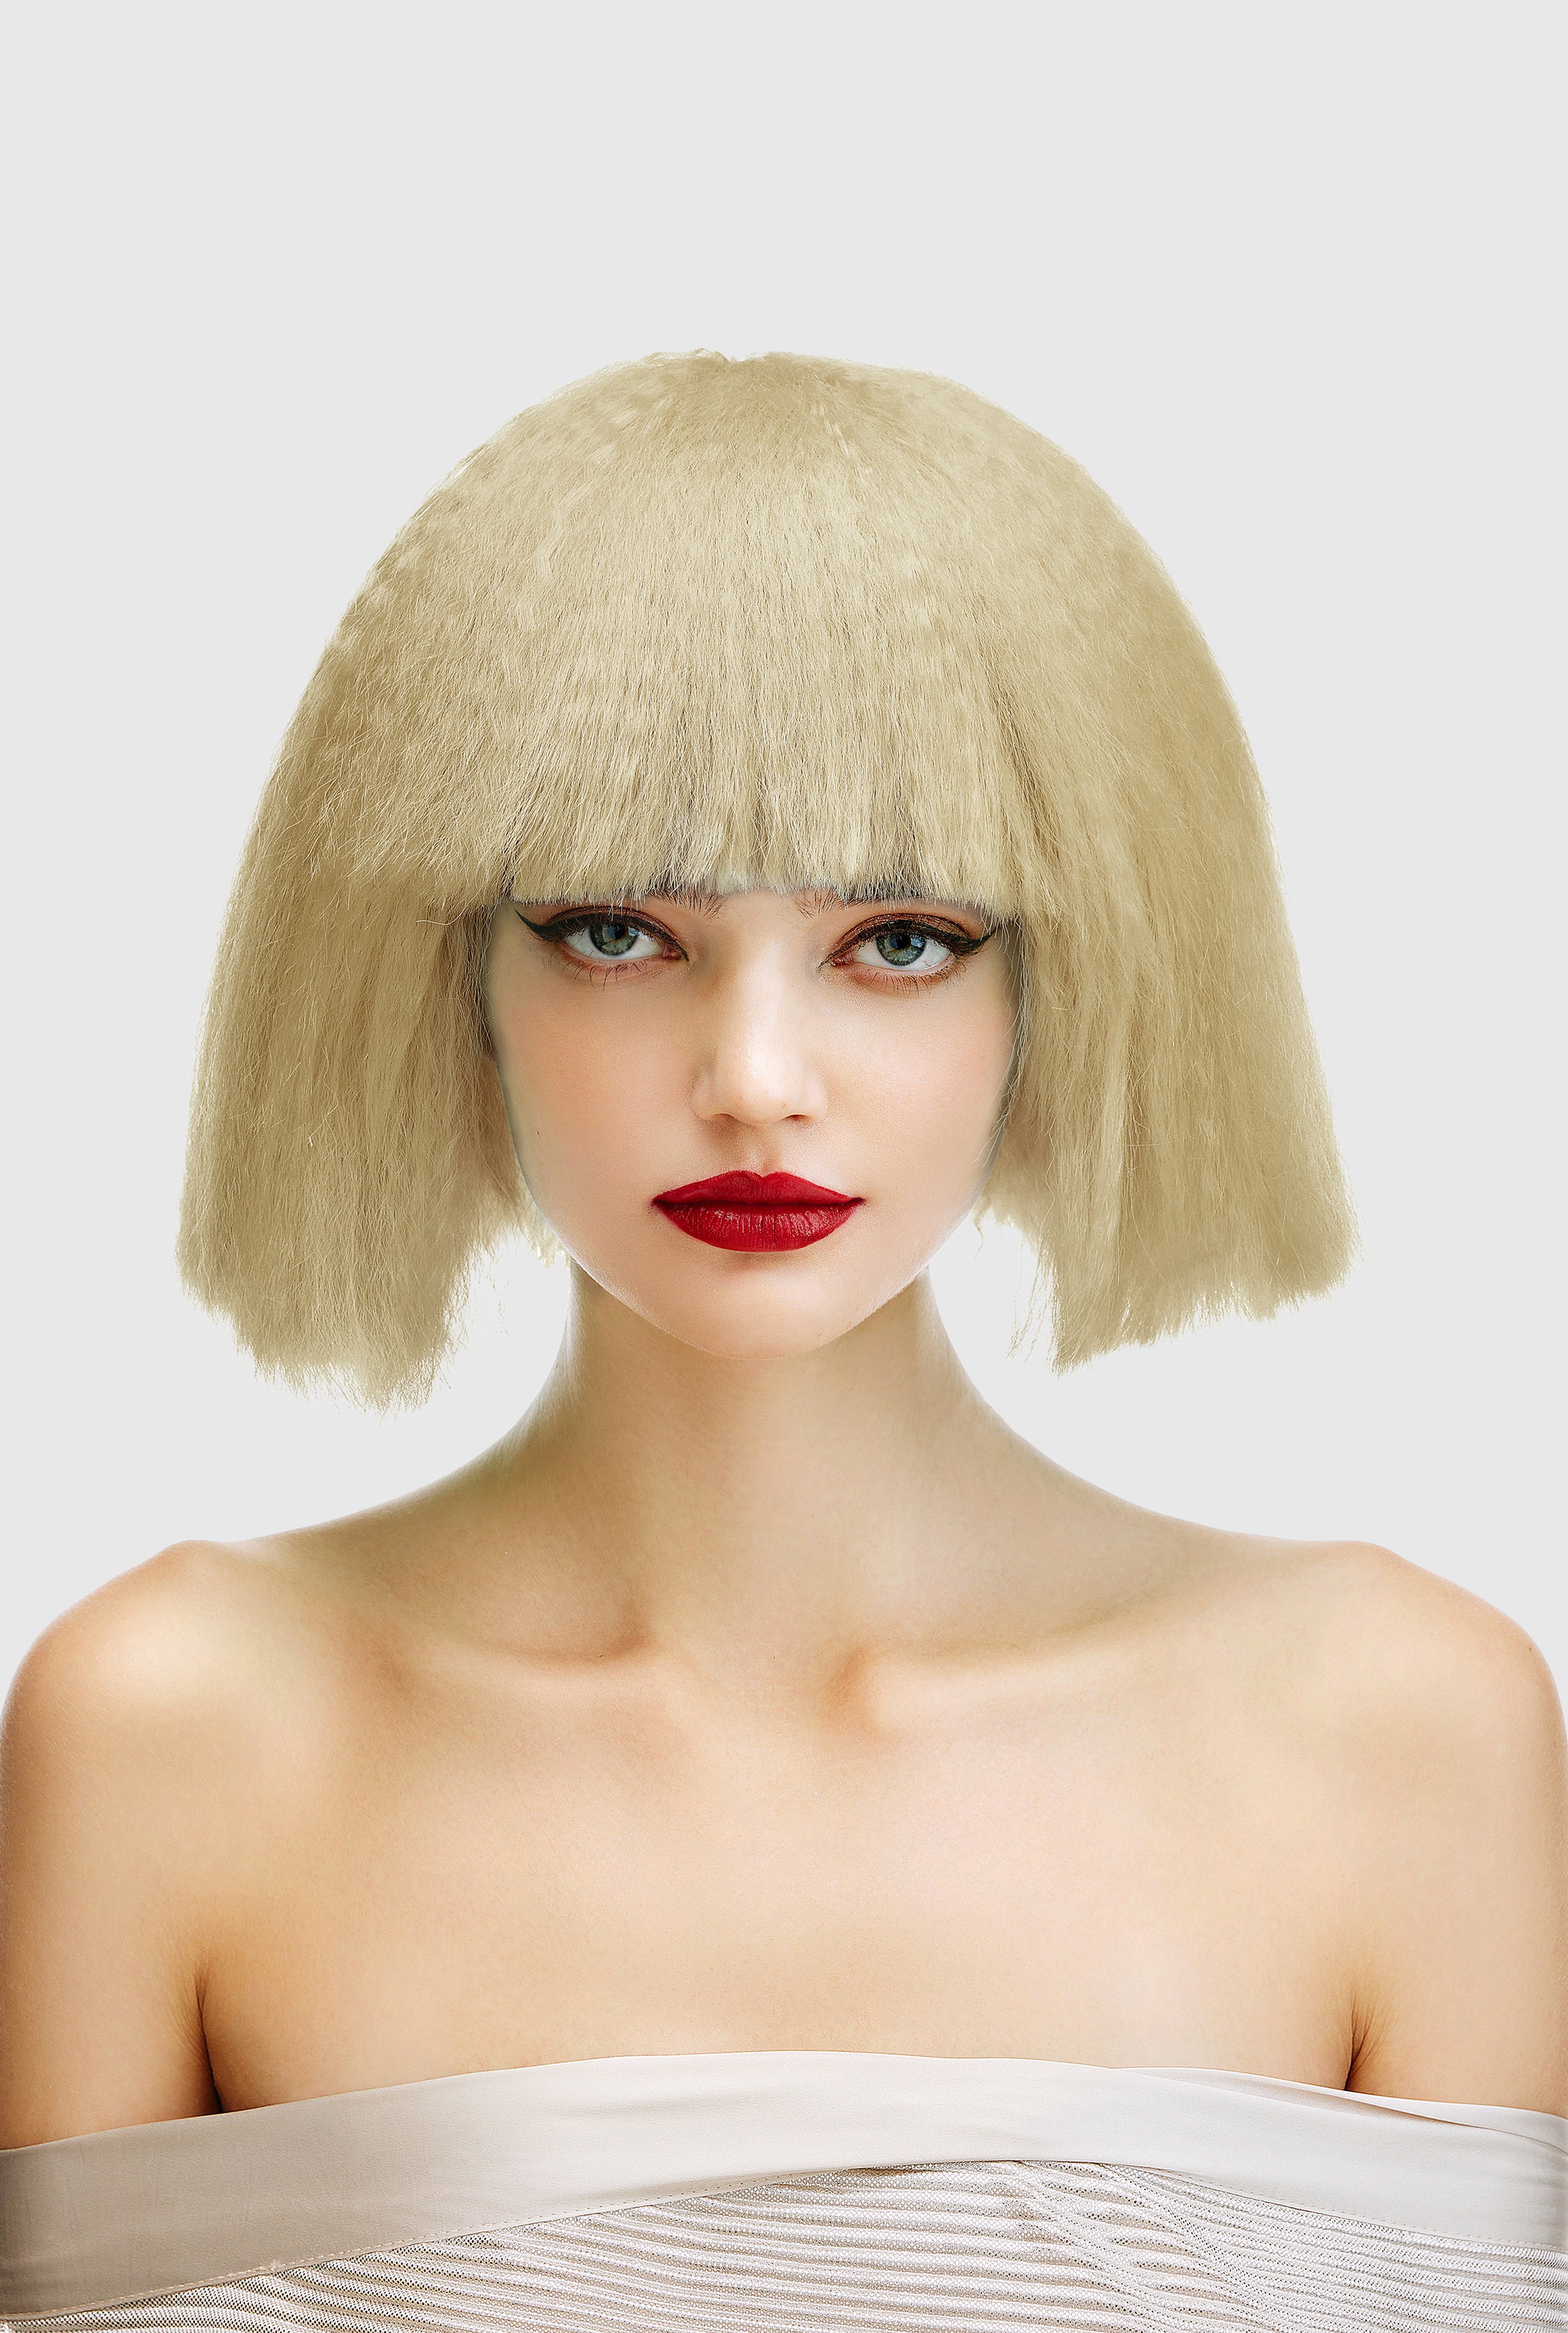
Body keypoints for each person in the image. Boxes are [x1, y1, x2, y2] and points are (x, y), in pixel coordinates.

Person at [1, 350, 1562, 2327]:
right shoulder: (172, 1732)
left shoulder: (1400, 1730)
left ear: (1061, 984)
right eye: (617, 930)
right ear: (448, 975)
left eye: (900, 941)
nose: (753, 1075)